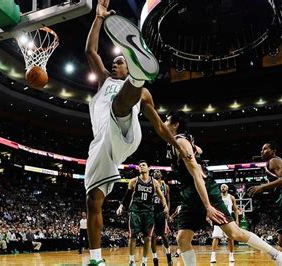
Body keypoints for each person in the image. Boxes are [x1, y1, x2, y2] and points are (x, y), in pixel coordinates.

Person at [84, 1, 186, 265]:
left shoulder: (141, 94)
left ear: (128, 66)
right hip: (103, 143)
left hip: (127, 128)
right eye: (116, 61)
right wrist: (98, 18)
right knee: (93, 199)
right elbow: (89, 50)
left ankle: (139, 77)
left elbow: (160, 126)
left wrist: (177, 145)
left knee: (120, 104)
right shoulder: (105, 80)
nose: (115, 64)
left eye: (121, 61)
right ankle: (96, 259)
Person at [163, 111, 282, 266]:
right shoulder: (179, 141)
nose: (164, 122)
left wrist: (207, 205)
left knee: (234, 233)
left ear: (175, 124)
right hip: (189, 193)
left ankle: (277, 256)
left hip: (204, 190)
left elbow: (197, 175)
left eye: (167, 120)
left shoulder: (180, 141)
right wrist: (194, 149)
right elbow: (200, 150)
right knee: (182, 238)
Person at [116, 160, 168, 266]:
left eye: (143, 165)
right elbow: (127, 196)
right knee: (132, 236)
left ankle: (144, 261)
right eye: (139, 165)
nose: (141, 166)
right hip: (135, 211)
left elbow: (161, 196)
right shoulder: (133, 181)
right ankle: (131, 260)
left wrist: (165, 206)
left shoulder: (154, 182)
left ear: (148, 168)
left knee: (148, 237)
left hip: (148, 212)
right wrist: (121, 206)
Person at [210, 184, 239, 263]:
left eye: (224, 186)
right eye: (221, 186)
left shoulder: (231, 197)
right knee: (216, 237)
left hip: (228, 219)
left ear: (227, 188)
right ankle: (213, 256)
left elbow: (235, 210)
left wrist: (237, 220)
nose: (222, 187)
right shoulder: (217, 196)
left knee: (230, 238)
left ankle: (231, 255)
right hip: (218, 218)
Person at [150, 170, 173, 266]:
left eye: (158, 171)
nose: (156, 172)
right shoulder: (150, 185)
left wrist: (167, 211)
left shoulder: (165, 186)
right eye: (154, 172)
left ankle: (169, 256)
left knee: (164, 235)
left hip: (161, 212)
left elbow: (168, 200)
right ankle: (155, 259)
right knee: (152, 236)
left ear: (161, 175)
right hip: (151, 212)